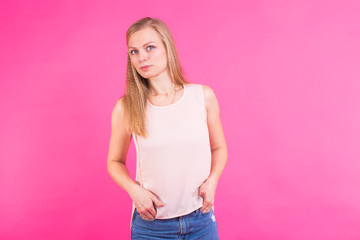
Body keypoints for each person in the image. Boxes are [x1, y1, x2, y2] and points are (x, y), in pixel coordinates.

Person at [107, 17, 228, 239]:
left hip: (200, 220)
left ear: (167, 47)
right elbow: (114, 162)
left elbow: (219, 147)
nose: (141, 57)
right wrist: (135, 192)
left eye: (149, 48)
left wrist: (213, 181)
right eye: (133, 52)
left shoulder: (202, 96)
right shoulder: (126, 107)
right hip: (152, 226)